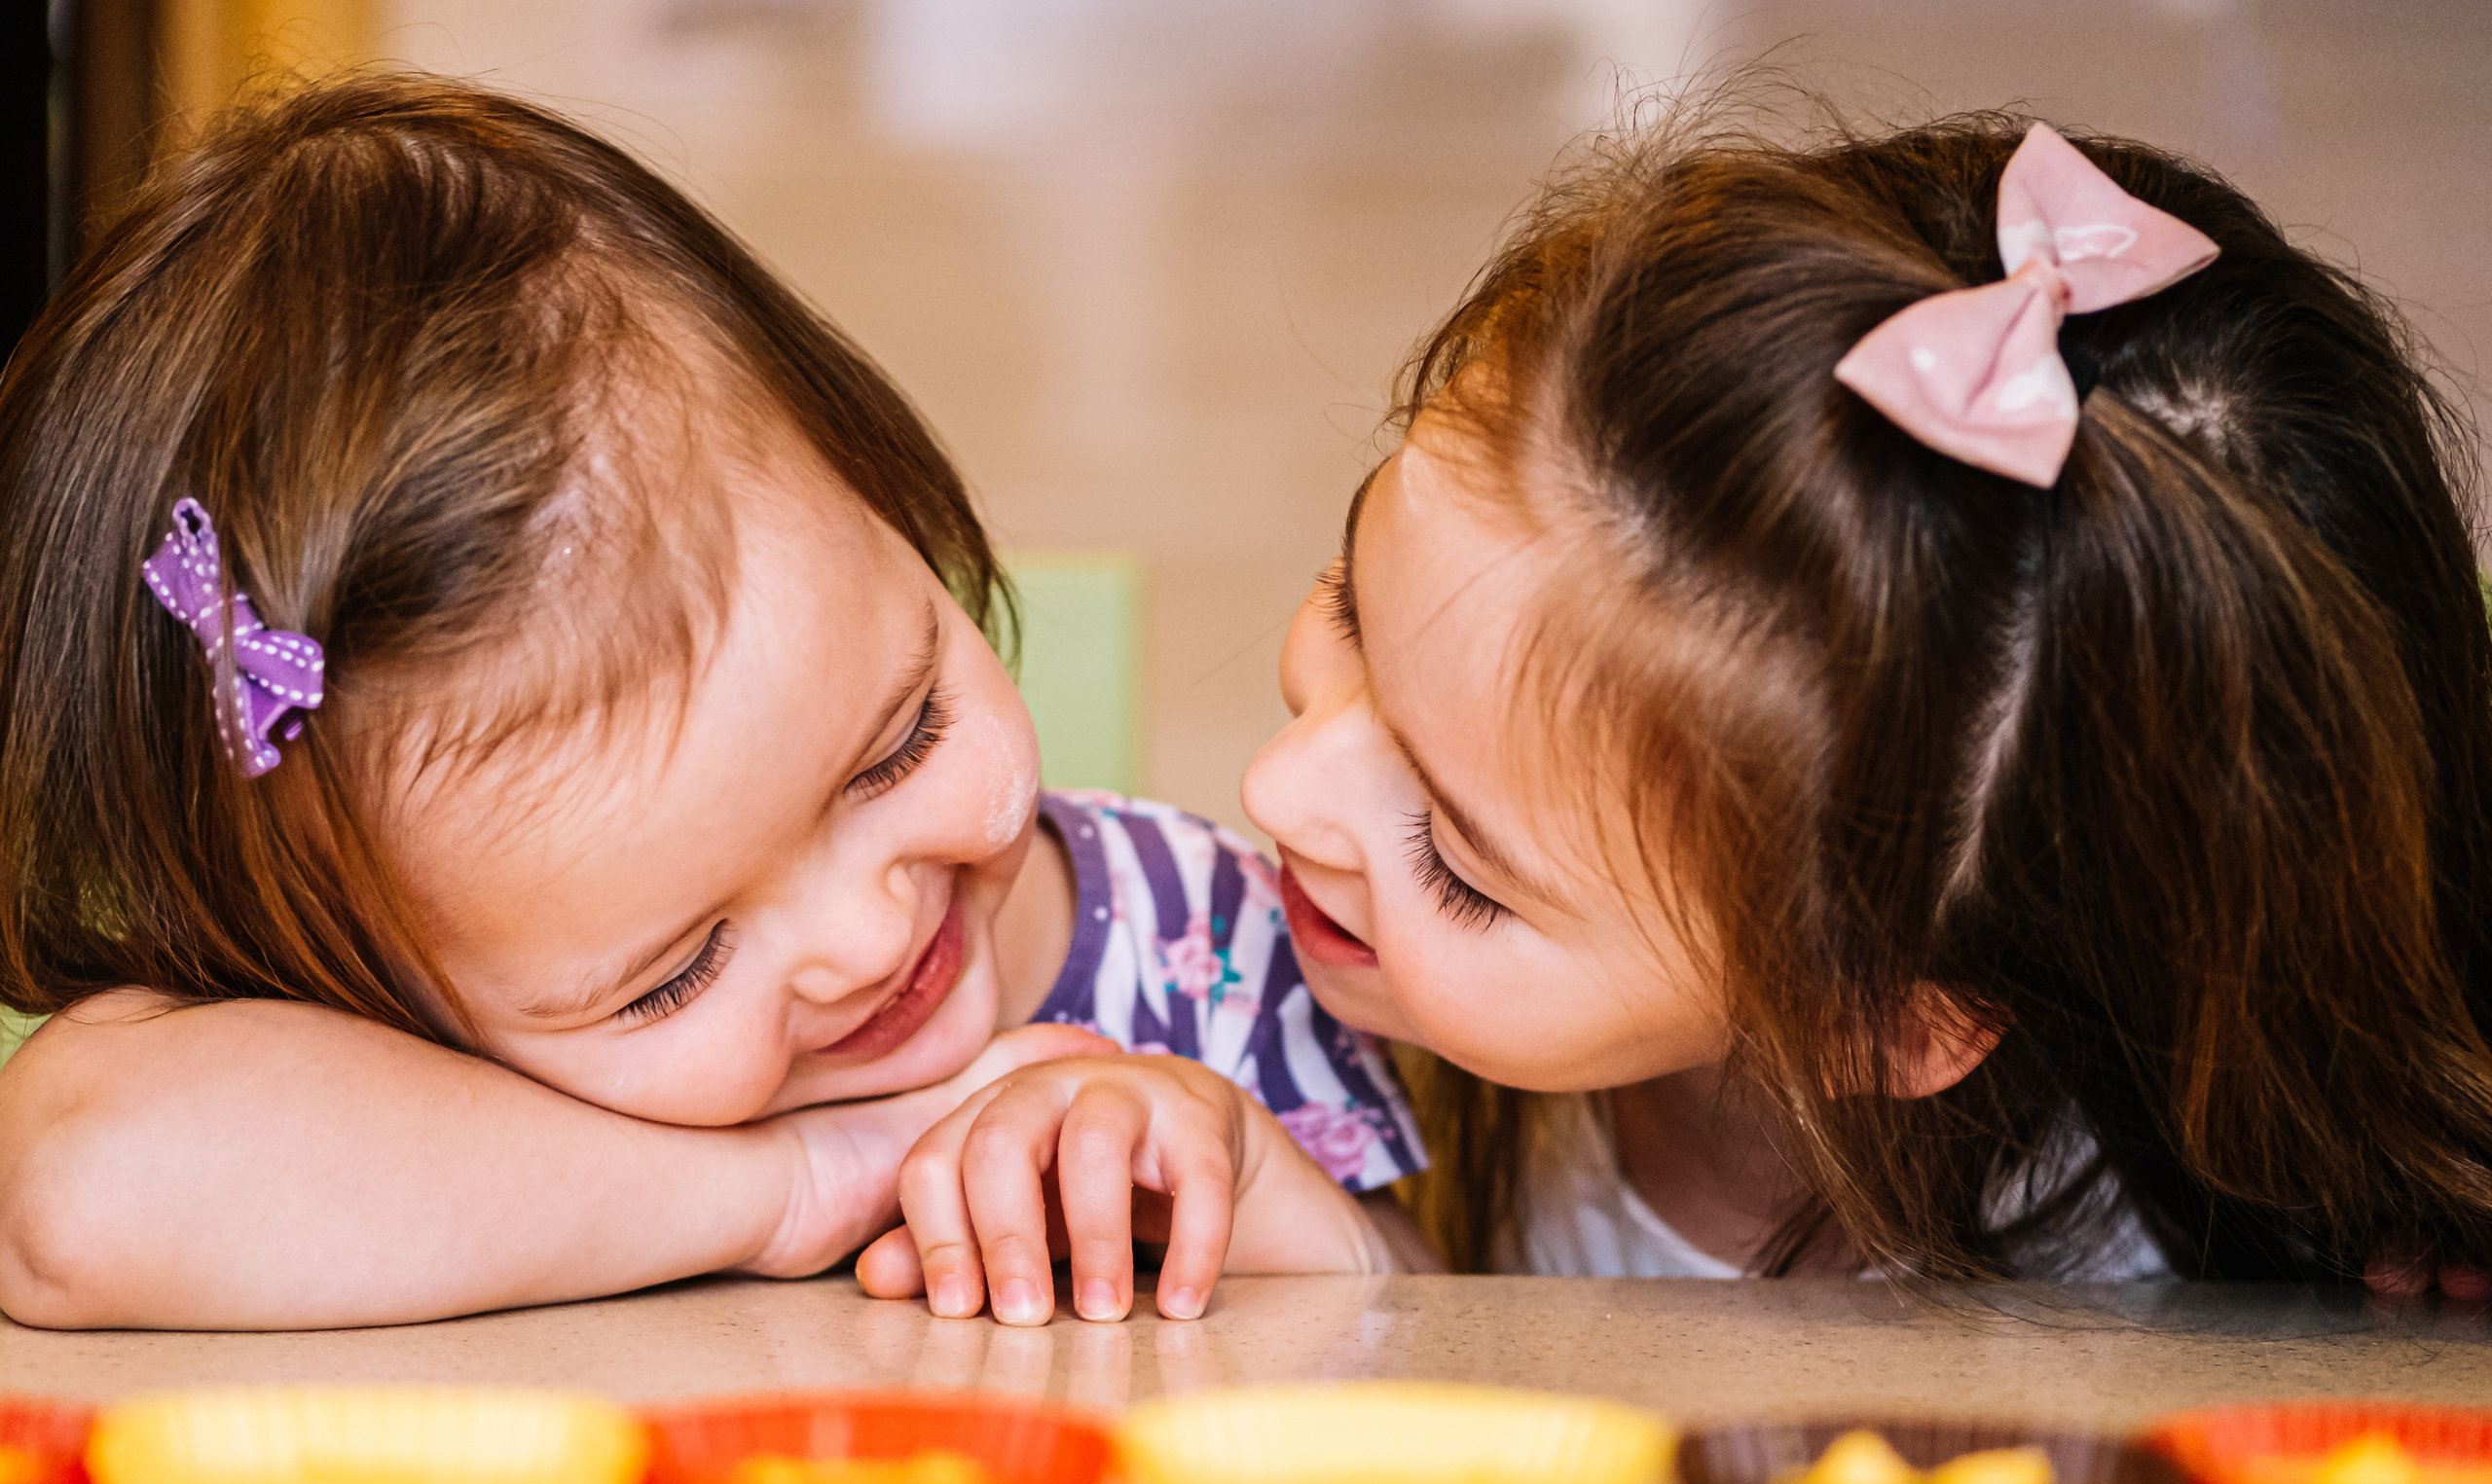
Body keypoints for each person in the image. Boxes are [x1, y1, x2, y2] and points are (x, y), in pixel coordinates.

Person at [910, 110, 2492, 1301]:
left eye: (1461, 865)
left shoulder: (2264, 1241)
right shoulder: (1240, 988)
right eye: (1349, 606)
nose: (1283, 791)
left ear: (1874, 1013)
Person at [0, 74, 1426, 1333]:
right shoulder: (405, 1072)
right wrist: (796, 1184)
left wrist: (1251, 1182)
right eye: (675, 971)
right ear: (369, 981)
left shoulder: (1230, 955)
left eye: (897, 744)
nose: (866, 939)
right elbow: (81, 1189)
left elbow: (1462, 1350)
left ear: (892, 498)